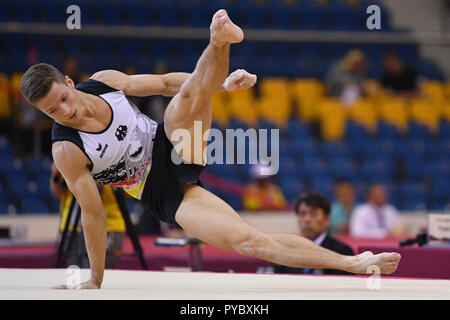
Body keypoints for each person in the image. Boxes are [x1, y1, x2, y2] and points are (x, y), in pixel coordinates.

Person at [19, 10, 400, 289]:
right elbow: (93, 214)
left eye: (64, 98)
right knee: (251, 241)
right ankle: (352, 262)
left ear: (70, 82)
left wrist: (224, 87)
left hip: (170, 144)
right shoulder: (67, 149)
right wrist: (95, 279)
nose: (65, 112)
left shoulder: (103, 82)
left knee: (184, 96)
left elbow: (167, 82)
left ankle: (218, 39)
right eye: (51, 111)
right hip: (160, 192)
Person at [50, 163, 126, 268]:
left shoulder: (107, 153)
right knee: (75, 273)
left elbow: (127, 192)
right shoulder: (71, 154)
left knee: (103, 272)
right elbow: (57, 193)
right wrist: (55, 173)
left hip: (108, 225)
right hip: (71, 227)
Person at [274, 192, 354, 275]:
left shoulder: (342, 252)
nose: (307, 220)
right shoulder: (285, 251)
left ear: (327, 219)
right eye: (302, 214)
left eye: (313, 214)